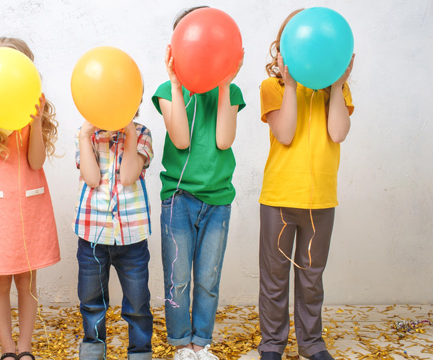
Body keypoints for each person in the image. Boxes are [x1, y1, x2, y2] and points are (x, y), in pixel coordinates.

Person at [257, 9, 355, 360]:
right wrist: (293, 84)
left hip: (321, 202)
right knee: (275, 278)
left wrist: (338, 85)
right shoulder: (273, 87)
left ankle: (312, 344)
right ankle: (272, 345)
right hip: (279, 199)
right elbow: (284, 134)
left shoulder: (334, 93)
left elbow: (337, 133)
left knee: (311, 279)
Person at [151, 6, 245, 360]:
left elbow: (223, 140)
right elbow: (181, 141)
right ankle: (180, 343)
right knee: (178, 278)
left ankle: (200, 343)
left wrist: (224, 82)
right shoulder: (165, 90)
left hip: (217, 200)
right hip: (178, 199)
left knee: (207, 279)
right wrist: (176, 83)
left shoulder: (230, 92)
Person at [0, 37, 61, 360]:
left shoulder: (35, 107)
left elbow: (35, 162)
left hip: (30, 206)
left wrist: (34, 124)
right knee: (0, 283)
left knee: (27, 281)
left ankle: (24, 348)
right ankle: (7, 349)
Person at [74, 108, 154, 360]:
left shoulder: (141, 133)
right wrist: (86, 136)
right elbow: (92, 178)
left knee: (138, 303)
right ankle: (93, 349)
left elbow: (129, 176)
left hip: (132, 236)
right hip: (93, 235)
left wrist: (129, 131)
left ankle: (140, 352)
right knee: (91, 301)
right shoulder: (85, 134)